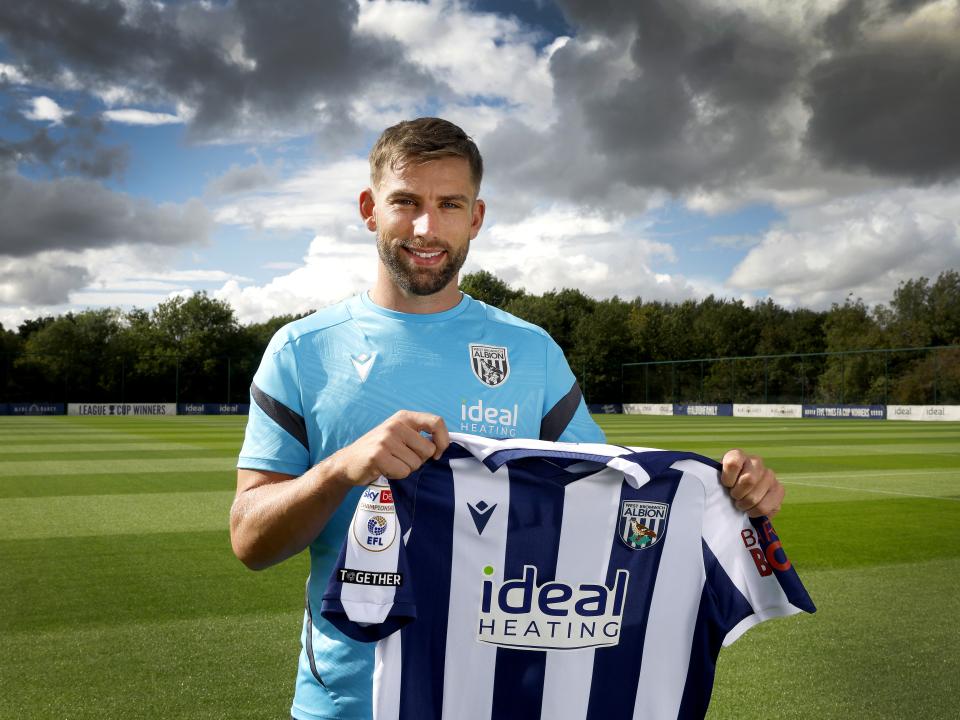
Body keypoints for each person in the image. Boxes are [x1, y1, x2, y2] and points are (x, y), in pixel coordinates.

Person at [230, 117, 785, 720]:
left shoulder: (530, 352)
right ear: (369, 208)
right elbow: (250, 541)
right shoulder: (302, 350)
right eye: (405, 203)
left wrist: (731, 494)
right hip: (345, 704)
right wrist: (339, 469)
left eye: (449, 204)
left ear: (477, 217)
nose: (427, 228)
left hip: (498, 697)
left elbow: (612, 500)